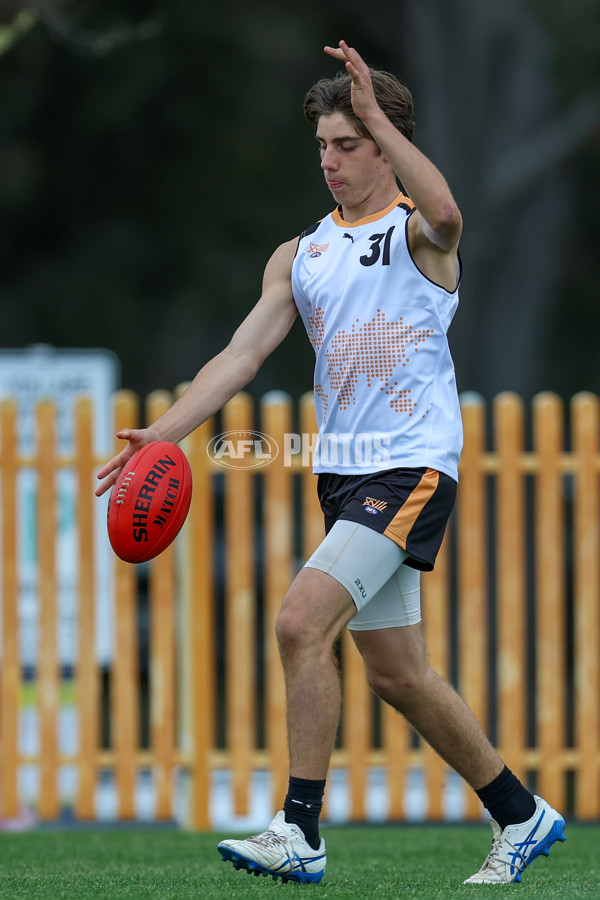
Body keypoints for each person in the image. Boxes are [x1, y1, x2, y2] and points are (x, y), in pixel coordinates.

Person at [96, 41, 566, 886]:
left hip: (412, 467)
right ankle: (522, 814)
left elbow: (452, 212)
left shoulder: (420, 235)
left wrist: (381, 111)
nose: (331, 161)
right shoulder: (301, 254)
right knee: (400, 674)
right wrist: (163, 433)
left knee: (298, 622)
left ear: (386, 146)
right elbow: (239, 357)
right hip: (345, 478)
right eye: (322, 146)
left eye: (349, 144)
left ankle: (299, 828)